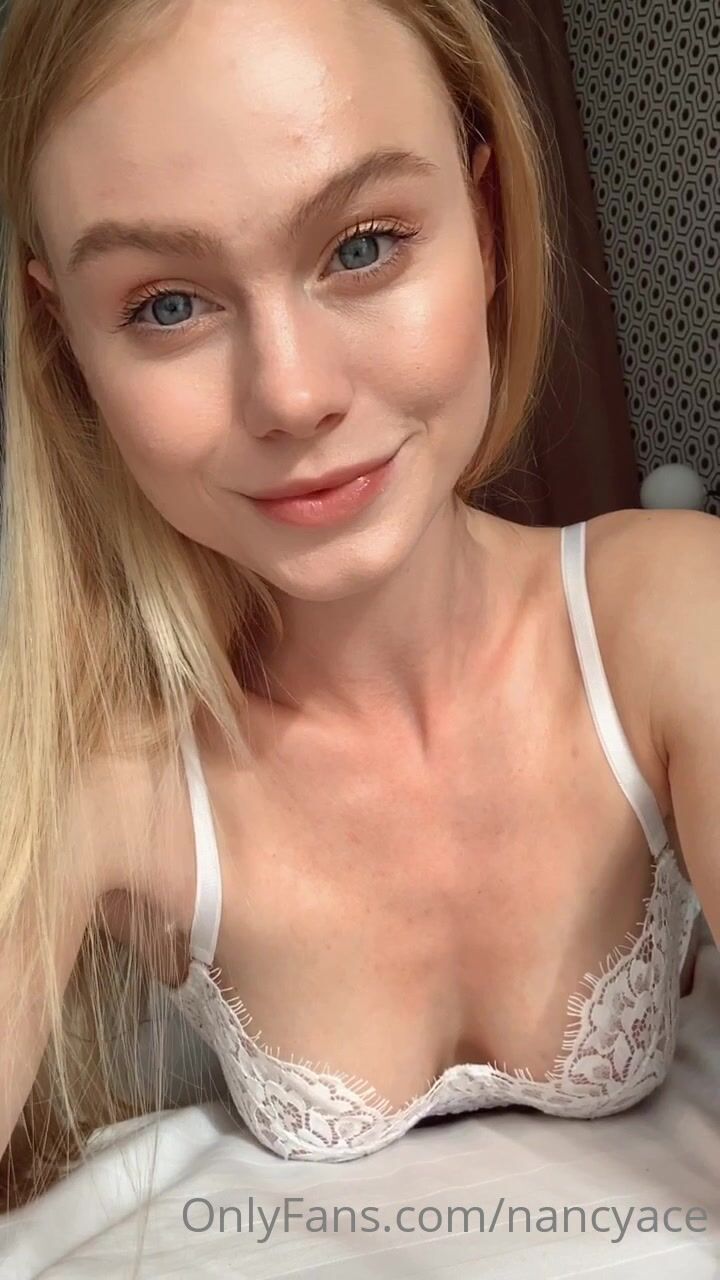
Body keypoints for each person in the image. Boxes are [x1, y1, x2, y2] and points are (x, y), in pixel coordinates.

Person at [0, 0, 717, 1211]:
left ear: (487, 225)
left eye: (365, 244)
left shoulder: (673, 610)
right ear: (69, 343)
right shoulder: (91, 767)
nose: (291, 394)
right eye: (166, 304)